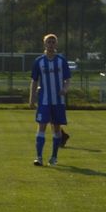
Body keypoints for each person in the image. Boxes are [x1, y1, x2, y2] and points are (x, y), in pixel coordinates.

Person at [29, 33, 71, 166]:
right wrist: (32, 98)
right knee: (41, 126)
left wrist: (65, 89)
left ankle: (53, 157)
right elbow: (34, 81)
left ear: (56, 44)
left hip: (58, 101)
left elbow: (68, 79)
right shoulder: (39, 61)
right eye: (49, 42)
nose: (51, 44)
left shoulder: (61, 60)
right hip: (44, 101)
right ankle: (39, 157)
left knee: (56, 129)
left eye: (53, 42)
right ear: (45, 44)